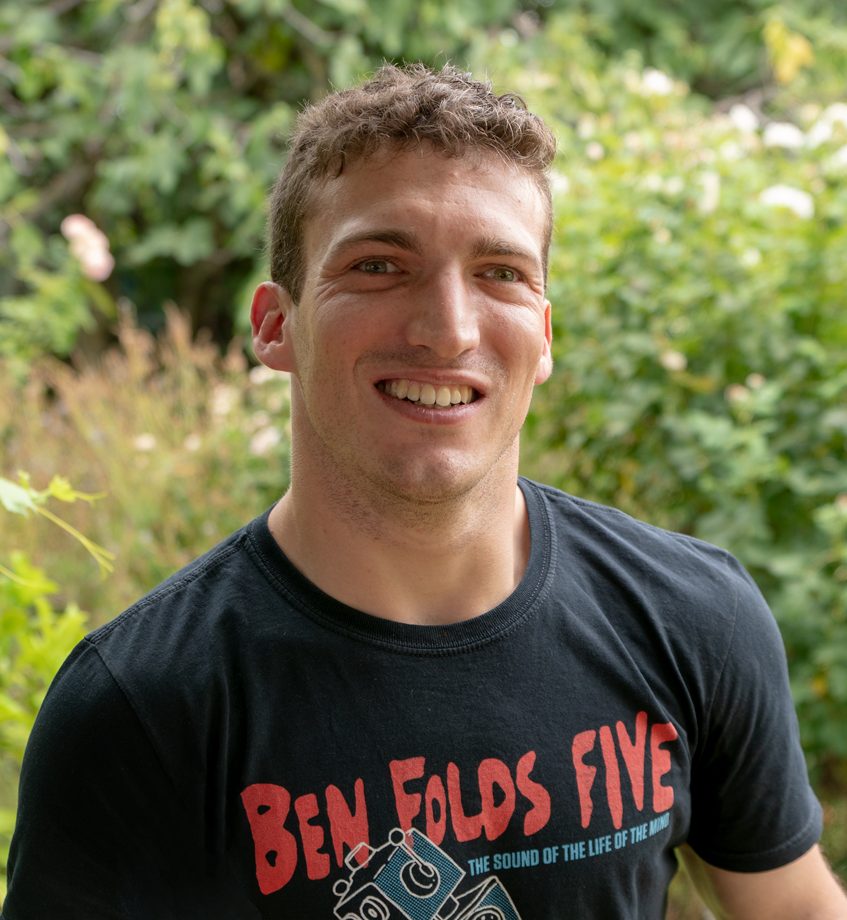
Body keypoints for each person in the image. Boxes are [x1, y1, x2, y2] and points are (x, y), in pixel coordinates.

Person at [2, 63, 846, 920]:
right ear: (274, 324)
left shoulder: (690, 617)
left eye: (500, 273)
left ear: (543, 335)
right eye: (377, 265)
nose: (446, 328)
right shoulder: (140, 708)